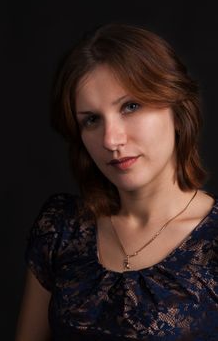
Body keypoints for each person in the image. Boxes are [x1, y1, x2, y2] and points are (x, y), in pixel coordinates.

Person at [15, 23, 218, 340]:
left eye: (131, 106)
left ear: (177, 111)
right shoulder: (61, 229)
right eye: (92, 120)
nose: (111, 140)